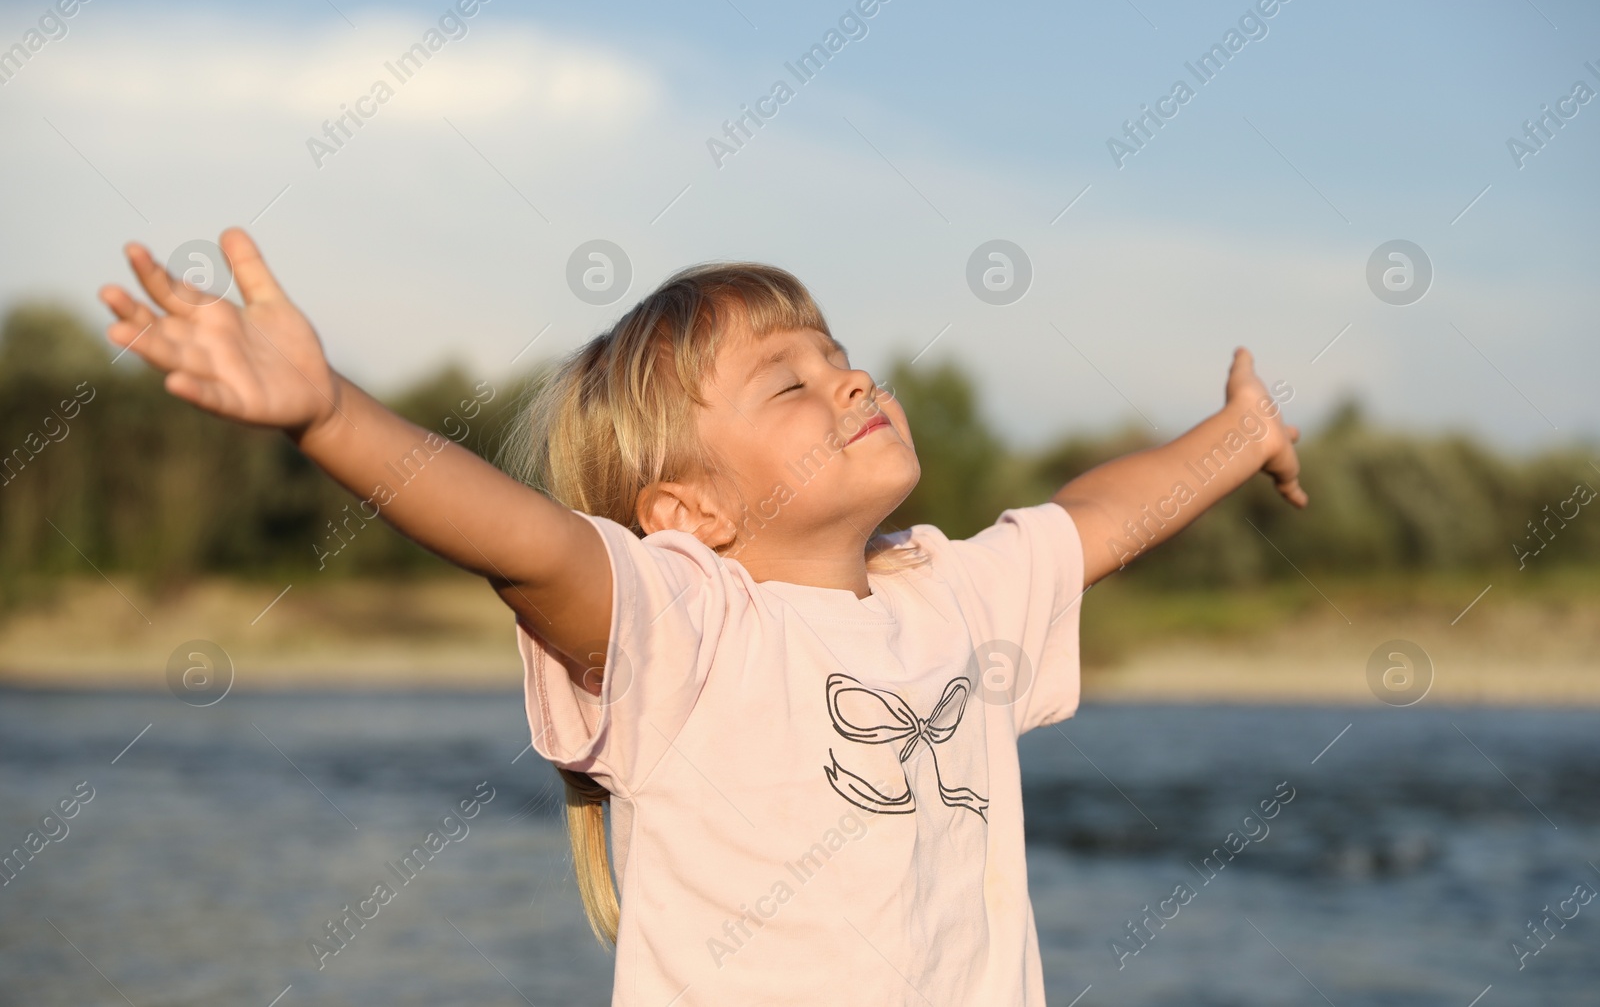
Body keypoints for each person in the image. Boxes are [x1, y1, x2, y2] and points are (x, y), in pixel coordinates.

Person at [101, 228, 1307, 1005]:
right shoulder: (692, 629)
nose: (848, 378)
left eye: (837, 353)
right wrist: (329, 416)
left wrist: (1238, 435)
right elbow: (518, 539)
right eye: (788, 380)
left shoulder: (948, 593)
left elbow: (1093, 514)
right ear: (690, 511)